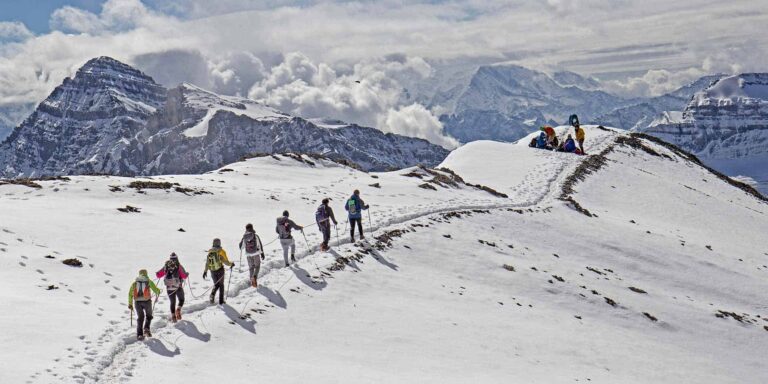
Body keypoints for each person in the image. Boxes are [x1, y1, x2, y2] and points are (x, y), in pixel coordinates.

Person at [128, 269, 161, 340]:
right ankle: (146, 328)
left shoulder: (134, 283)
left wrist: (130, 303)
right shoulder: (148, 281)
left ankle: (139, 335)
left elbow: (130, 294)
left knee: (140, 318)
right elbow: (155, 290)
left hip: (137, 302)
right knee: (149, 316)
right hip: (147, 301)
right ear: (146, 273)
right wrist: (158, 291)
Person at [155, 253, 188, 323]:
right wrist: (187, 274)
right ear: (177, 258)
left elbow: (158, 275)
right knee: (181, 299)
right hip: (178, 286)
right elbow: (184, 276)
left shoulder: (166, 266)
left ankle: (173, 316)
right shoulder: (178, 266)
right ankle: (178, 309)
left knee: (172, 302)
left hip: (169, 287)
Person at [202, 238, 234, 305]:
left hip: (212, 271)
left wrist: (205, 271)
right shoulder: (221, 251)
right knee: (221, 285)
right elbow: (226, 262)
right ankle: (221, 301)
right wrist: (231, 264)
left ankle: (212, 294)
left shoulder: (210, 252)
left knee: (216, 284)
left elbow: (207, 263)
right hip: (220, 270)